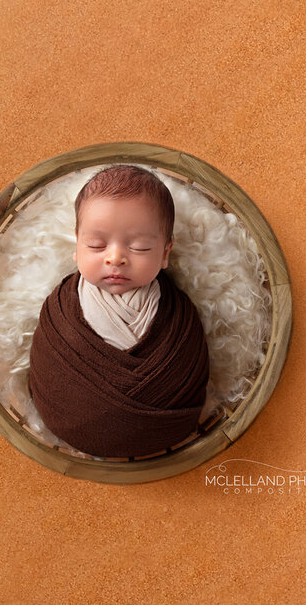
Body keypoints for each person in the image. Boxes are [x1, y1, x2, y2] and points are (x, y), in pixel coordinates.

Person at [28, 165, 210, 458]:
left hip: (167, 425)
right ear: (76, 246)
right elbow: (44, 362)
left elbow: (193, 363)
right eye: (96, 245)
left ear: (165, 253)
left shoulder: (179, 314)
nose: (115, 257)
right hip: (68, 420)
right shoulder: (61, 308)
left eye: (139, 247)